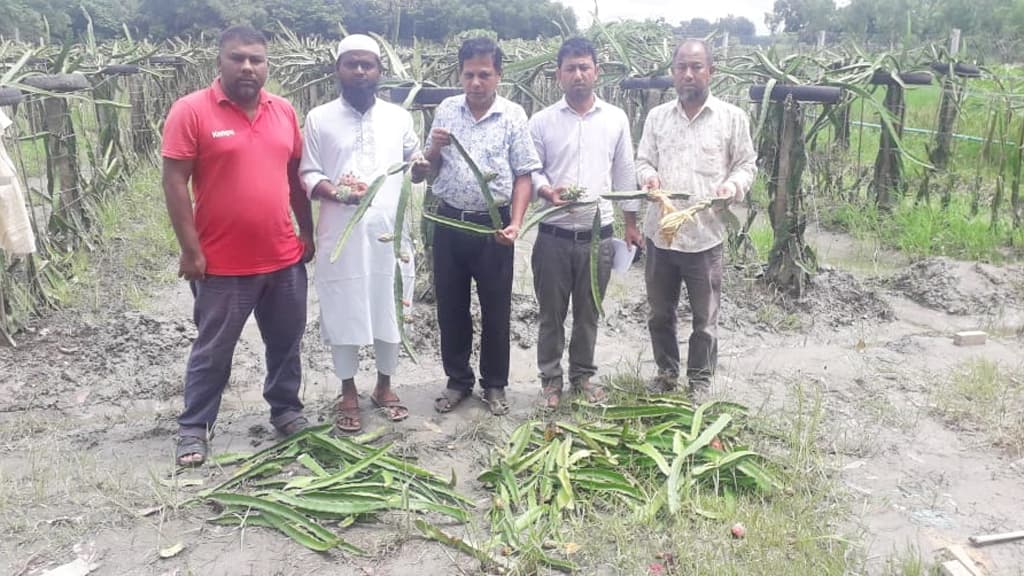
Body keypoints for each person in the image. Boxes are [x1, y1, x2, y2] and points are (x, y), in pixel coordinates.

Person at [162, 25, 314, 466]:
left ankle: (286, 411)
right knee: (214, 349)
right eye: (237, 58)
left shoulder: (283, 111)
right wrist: (191, 251)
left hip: (283, 258)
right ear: (220, 61)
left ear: (267, 65)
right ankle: (194, 427)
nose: (247, 66)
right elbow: (174, 181)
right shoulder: (191, 111)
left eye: (256, 59)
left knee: (286, 342)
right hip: (221, 263)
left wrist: (306, 231)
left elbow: (294, 179)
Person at [299, 34, 428, 433]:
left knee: (390, 303)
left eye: (367, 65)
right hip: (341, 234)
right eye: (351, 64)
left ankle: (385, 387)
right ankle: (349, 390)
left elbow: (413, 158)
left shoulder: (398, 117)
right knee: (344, 309)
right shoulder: (319, 118)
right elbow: (308, 172)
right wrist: (336, 191)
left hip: (390, 233)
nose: (359, 71)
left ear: (378, 71)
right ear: (337, 69)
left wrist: (420, 166)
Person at [423, 37, 541, 416]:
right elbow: (429, 171)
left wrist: (516, 224)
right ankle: (458, 381)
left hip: (494, 228)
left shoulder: (513, 115)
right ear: (460, 74)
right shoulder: (446, 110)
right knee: (451, 308)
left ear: (498, 76)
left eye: (484, 75)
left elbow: (524, 174)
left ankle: (495, 385)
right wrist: (434, 150)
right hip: (449, 222)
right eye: (469, 74)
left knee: (496, 308)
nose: (476, 82)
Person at [635, 39, 756, 397]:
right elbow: (643, 161)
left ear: (711, 72)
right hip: (662, 234)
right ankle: (667, 374)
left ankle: (699, 381)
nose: (689, 74)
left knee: (704, 319)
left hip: (705, 236)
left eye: (697, 67)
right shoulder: (658, 118)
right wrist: (648, 178)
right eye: (681, 67)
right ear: (673, 72)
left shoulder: (732, 118)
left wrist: (733, 187)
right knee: (660, 314)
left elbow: (746, 165)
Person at [528, 37, 640, 409]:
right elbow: (531, 172)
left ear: (596, 72)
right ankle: (550, 380)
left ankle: (583, 375)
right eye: (570, 68)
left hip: (598, 235)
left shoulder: (615, 119)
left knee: (589, 312)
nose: (578, 74)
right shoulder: (542, 121)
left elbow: (624, 172)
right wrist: (546, 190)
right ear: (558, 74)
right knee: (551, 314)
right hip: (553, 233)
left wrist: (631, 222)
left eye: (584, 67)